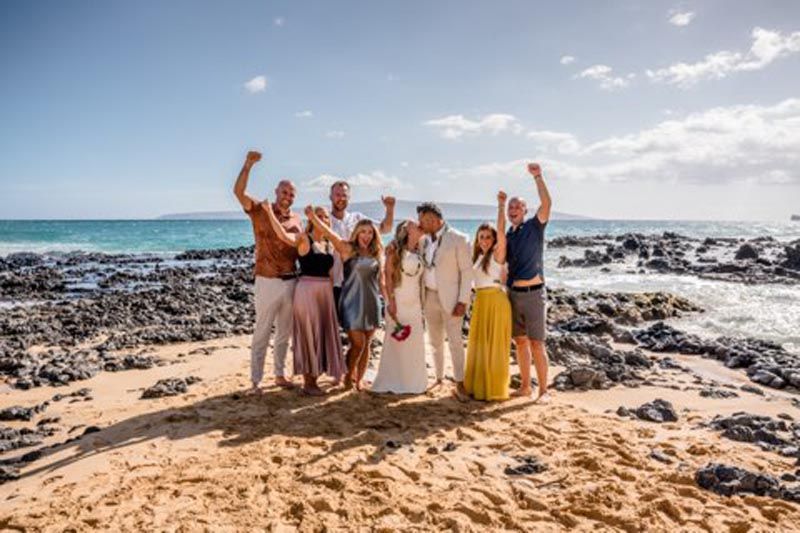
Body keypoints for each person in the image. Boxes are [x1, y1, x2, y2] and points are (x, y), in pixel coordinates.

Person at [233, 150, 300, 393]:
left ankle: (280, 375)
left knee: (285, 333)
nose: (287, 197)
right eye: (284, 192)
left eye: (291, 194)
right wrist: (248, 165)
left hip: (291, 281)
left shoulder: (296, 220)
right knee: (262, 330)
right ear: (276, 192)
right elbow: (238, 193)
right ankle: (255, 380)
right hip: (267, 280)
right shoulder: (260, 210)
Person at [265, 203, 344, 396]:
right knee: (310, 333)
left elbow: (331, 272)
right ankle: (309, 383)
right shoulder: (304, 238)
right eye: (319, 215)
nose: (323, 219)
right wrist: (268, 213)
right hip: (307, 291)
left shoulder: (328, 243)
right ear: (311, 219)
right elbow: (283, 235)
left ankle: (317, 377)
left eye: (326, 216)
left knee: (322, 333)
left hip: (325, 291)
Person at [306, 207, 385, 391]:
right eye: (363, 232)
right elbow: (329, 233)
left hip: (372, 303)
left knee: (367, 345)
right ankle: (348, 377)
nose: (366, 236)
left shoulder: (376, 253)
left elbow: (381, 281)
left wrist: (388, 302)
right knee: (358, 343)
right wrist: (313, 218)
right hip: (351, 302)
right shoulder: (347, 249)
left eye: (370, 232)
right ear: (356, 233)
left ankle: (359, 380)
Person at [417, 202, 473, 401]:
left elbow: (467, 273)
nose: (420, 224)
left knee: (456, 342)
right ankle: (439, 379)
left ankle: (460, 383)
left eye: (423, 220)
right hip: (429, 296)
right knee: (434, 341)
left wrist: (463, 301)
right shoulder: (423, 241)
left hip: (452, 299)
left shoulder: (459, 238)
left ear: (433, 219)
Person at [506, 163, 552, 401]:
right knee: (520, 343)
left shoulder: (535, 226)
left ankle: (544, 391)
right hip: (513, 295)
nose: (513, 209)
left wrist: (538, 178)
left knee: (537, 344)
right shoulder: (508, 235)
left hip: (534, 294)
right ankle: (525, 386)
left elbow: (547, 204)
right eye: (510, 207)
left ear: (525, 210)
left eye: (517, 206)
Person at [463, 191, 513, 401]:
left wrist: (501, 206)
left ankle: (493, 389)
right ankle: (478, 387)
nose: (484, 240)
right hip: (481, 302)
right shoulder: (478, 257)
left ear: (493, 239)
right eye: (481, 237)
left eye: (488, 237)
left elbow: (502, 231)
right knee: (480, 346)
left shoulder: (496, 254)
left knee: (494, 347)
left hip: (495, 301)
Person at [371, 220, 428, 394]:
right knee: (395, 342)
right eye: (414, 224)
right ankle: (393, 380)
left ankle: (413, 382)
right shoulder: (394, 251)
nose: (419, 224)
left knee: (415, 342)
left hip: (415, 302)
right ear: (406, 230)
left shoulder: (420, 250)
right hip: (398, 300)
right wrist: (391, 301)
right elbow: (387, 276)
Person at [328, 181, 395, 309]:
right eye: (337, 194)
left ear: (349, 198)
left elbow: (385, 229)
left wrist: (390, 209)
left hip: (356, 283)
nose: (341, 198)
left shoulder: (357, 218)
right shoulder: (325, 220)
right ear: (330, 196)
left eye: (344, 195)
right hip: (332, 283)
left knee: (354, 325)